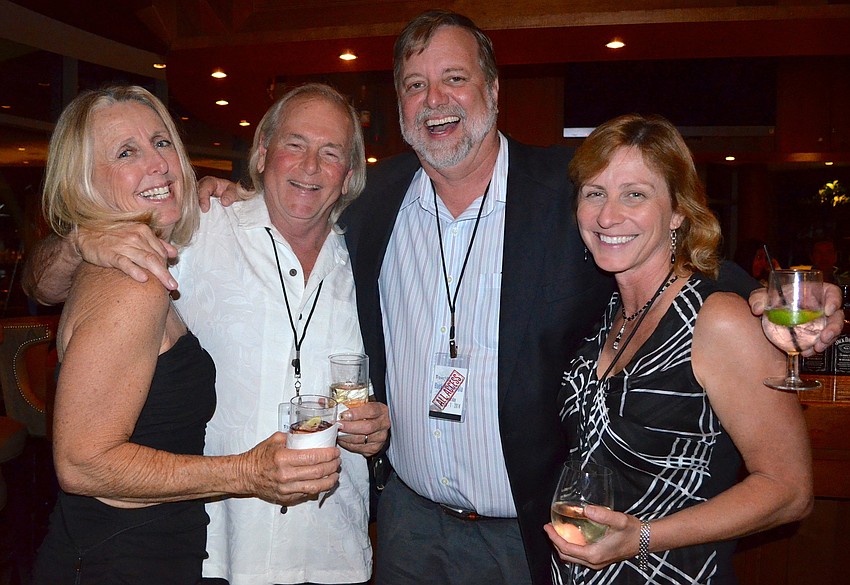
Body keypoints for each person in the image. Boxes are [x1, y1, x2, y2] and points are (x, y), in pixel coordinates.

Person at [23, 11, 845, 585]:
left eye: (454, 78)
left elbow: (667, 259)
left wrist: (773, 298)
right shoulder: (366, 214)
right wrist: (87, 235)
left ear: (491, 89)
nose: (435, 100)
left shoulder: (566, 195)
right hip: (406, 530)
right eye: (414, 84)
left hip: (535, 528)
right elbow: (50, 280)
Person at [30, 85, 341, 584]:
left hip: (135, 549)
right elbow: (81, 464)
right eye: (126, 152)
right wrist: (246, 472)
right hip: (116, 560)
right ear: (84, 180)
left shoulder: (139, 259)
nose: (157, 164)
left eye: (161, 142)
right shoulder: (134, 281)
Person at [544, 114, 813, 584]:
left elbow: (789, 491)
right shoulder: (604, 313)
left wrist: (643, 537)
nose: (608, 215)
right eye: (595, 193)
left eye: (635, 194)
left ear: (677, 213)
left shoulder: (719, 319)